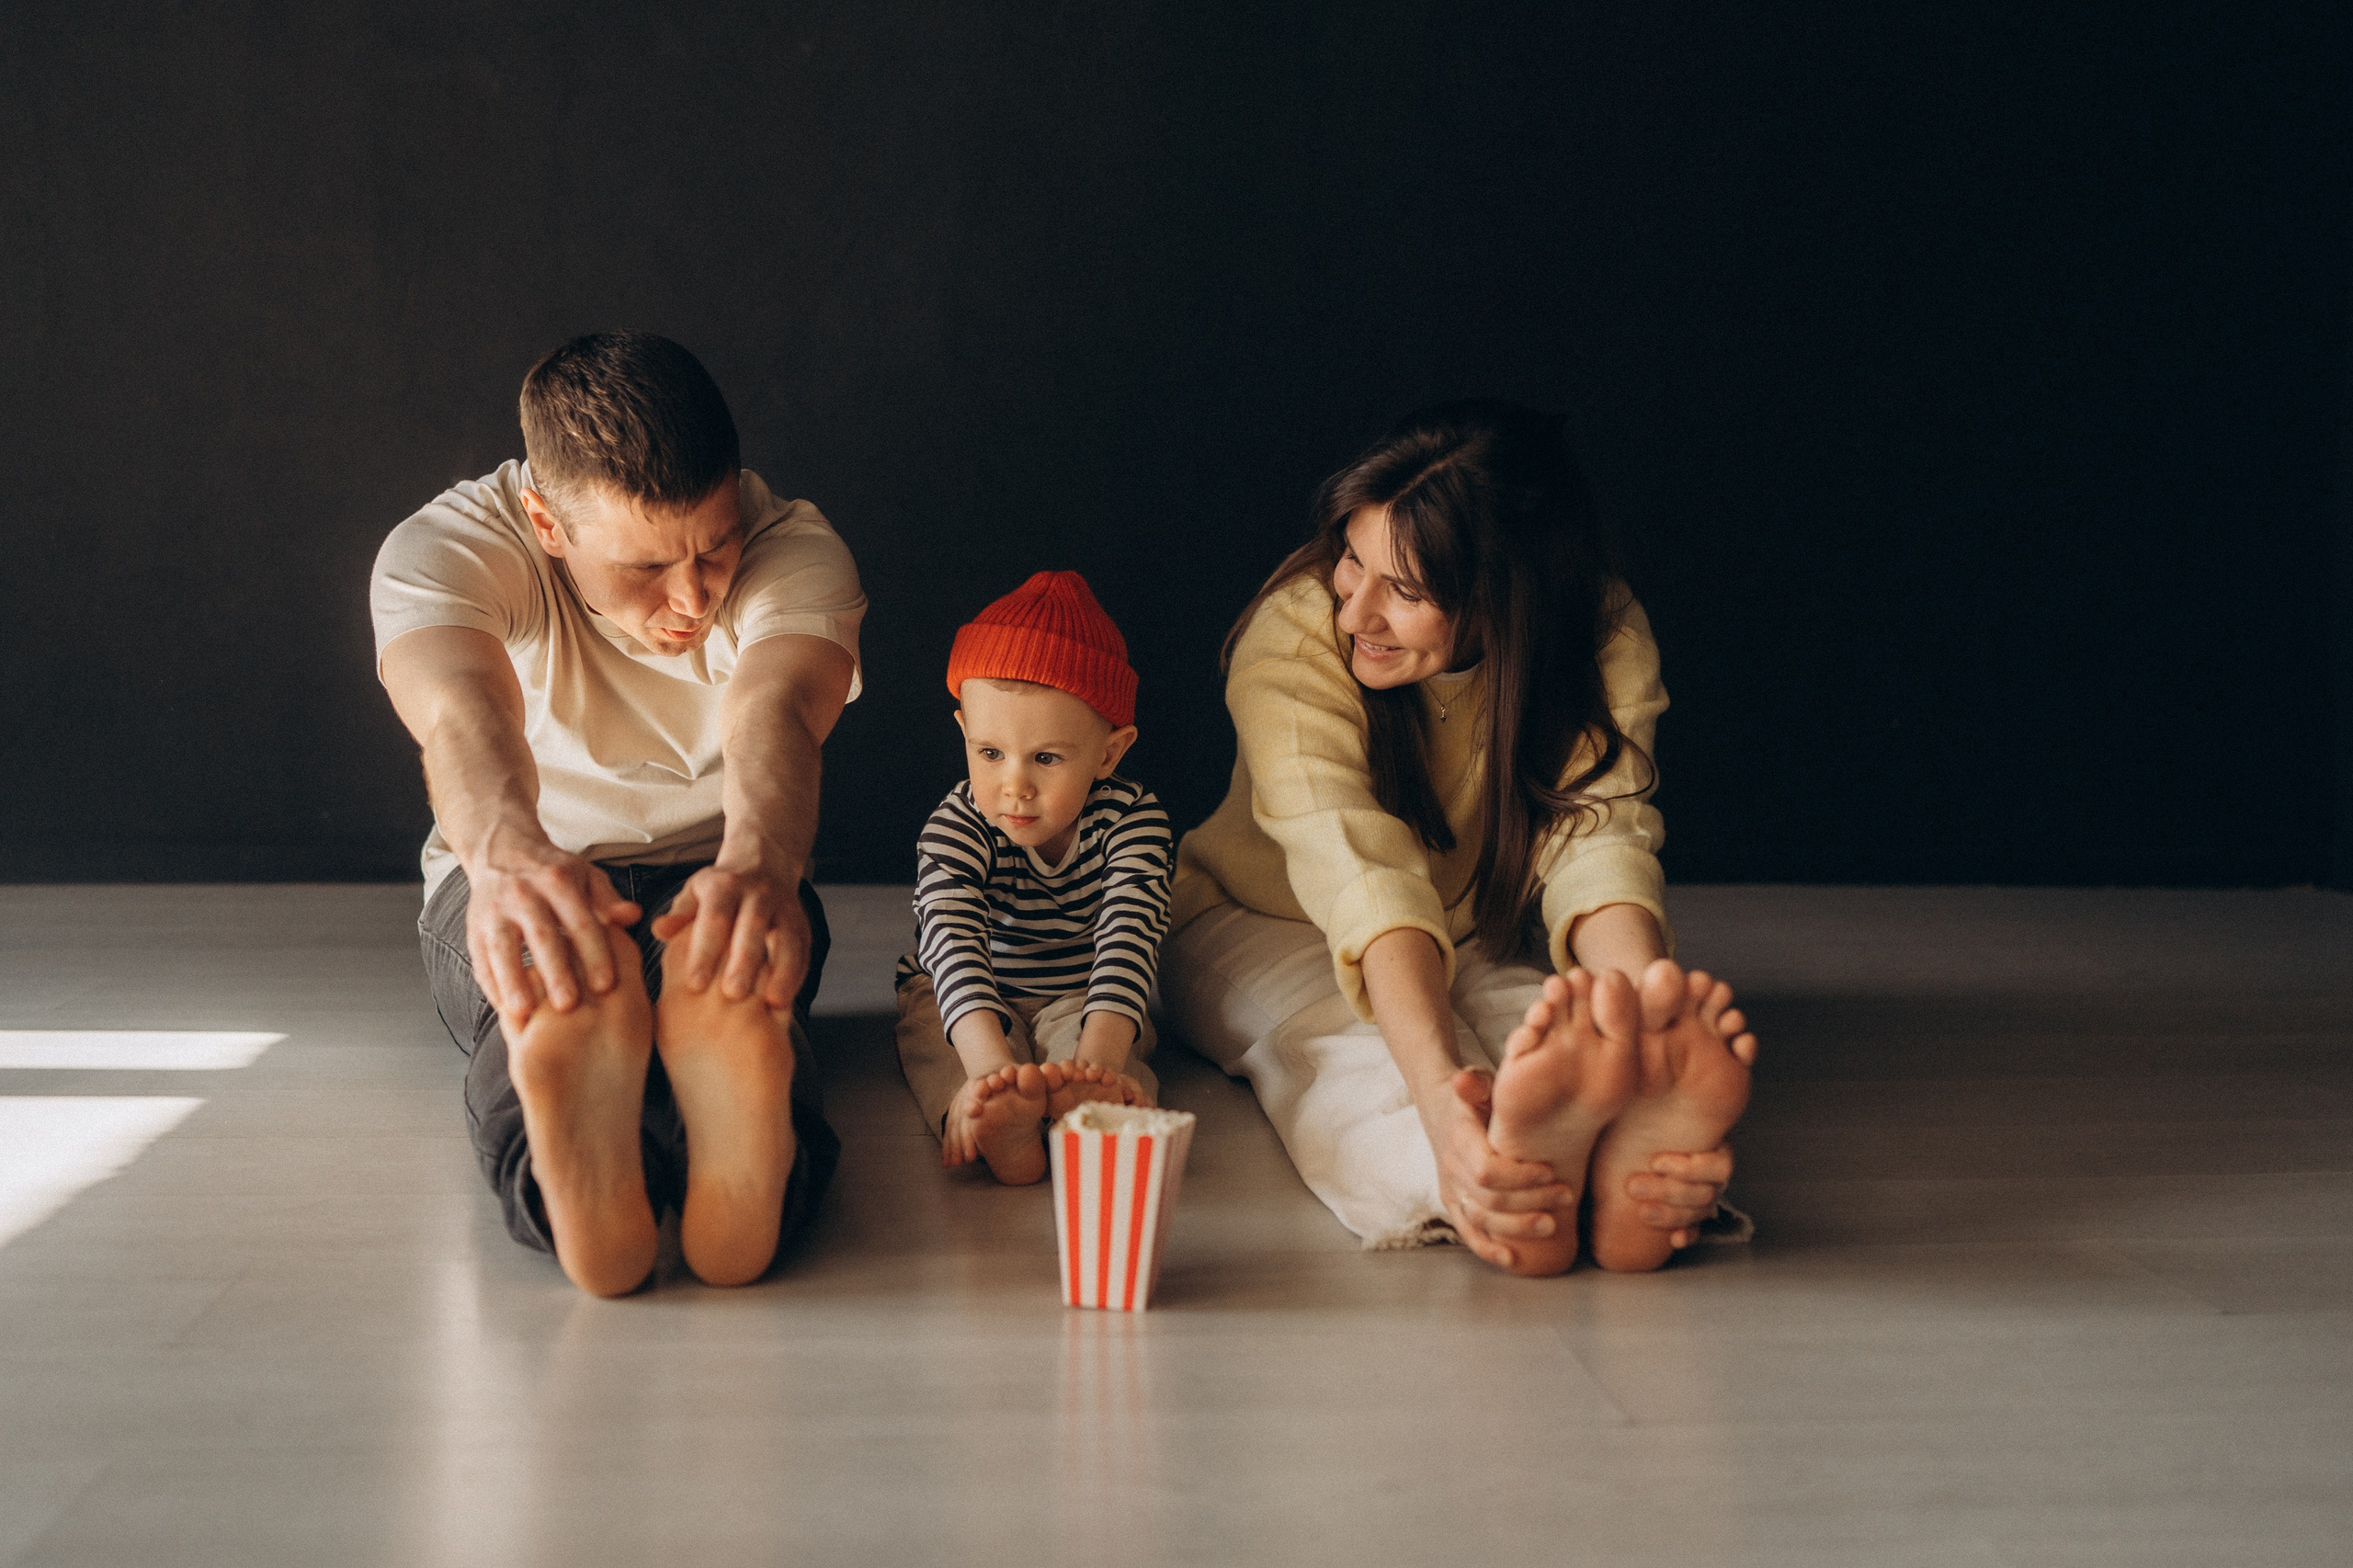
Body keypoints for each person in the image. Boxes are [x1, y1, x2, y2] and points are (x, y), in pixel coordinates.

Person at [1161, 400, 1755, 1276]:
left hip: (1469, 925)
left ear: (1505, 601)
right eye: (1351, 561)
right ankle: (1482, 1190)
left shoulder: (1597, 630)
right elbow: (1358, 872)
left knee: (1542, 1043)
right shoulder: (1292, 636)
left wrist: (1644, 1010)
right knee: (1356, 1061)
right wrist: (1442, 1106)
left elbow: (1597, 836)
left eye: (1403, 592)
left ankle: (1635, 1176)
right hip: (1261, 919)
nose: (1357, 610)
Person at [370, 331, 866, 1296]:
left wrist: (761, 870)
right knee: (536, 984)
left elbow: (778, 708)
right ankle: (596, 1158)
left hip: (723, 874)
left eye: (714, 545)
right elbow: (461, 709)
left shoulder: (796, 547)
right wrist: (509, 863)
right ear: (546, 523)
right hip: (519, 862)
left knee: (741, 991)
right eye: (645, 567)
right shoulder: (446, 548)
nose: (691, 596)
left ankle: (726, 1170)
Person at [892, 571, 1172, 1185]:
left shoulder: (1132, 820)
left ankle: (1092, 1112)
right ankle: (988, 1119)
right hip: (968, 991)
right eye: (991, 753)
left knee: (1108, 1051)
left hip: (1080, 992)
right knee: (935, 1036)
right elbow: (952, 944)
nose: (1014, 785)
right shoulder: (958, 824)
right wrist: (989, 1068)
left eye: (1046, 758)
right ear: (965, 732)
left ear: (1109, 752)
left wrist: (1095, 1066)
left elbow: (1130, 940)